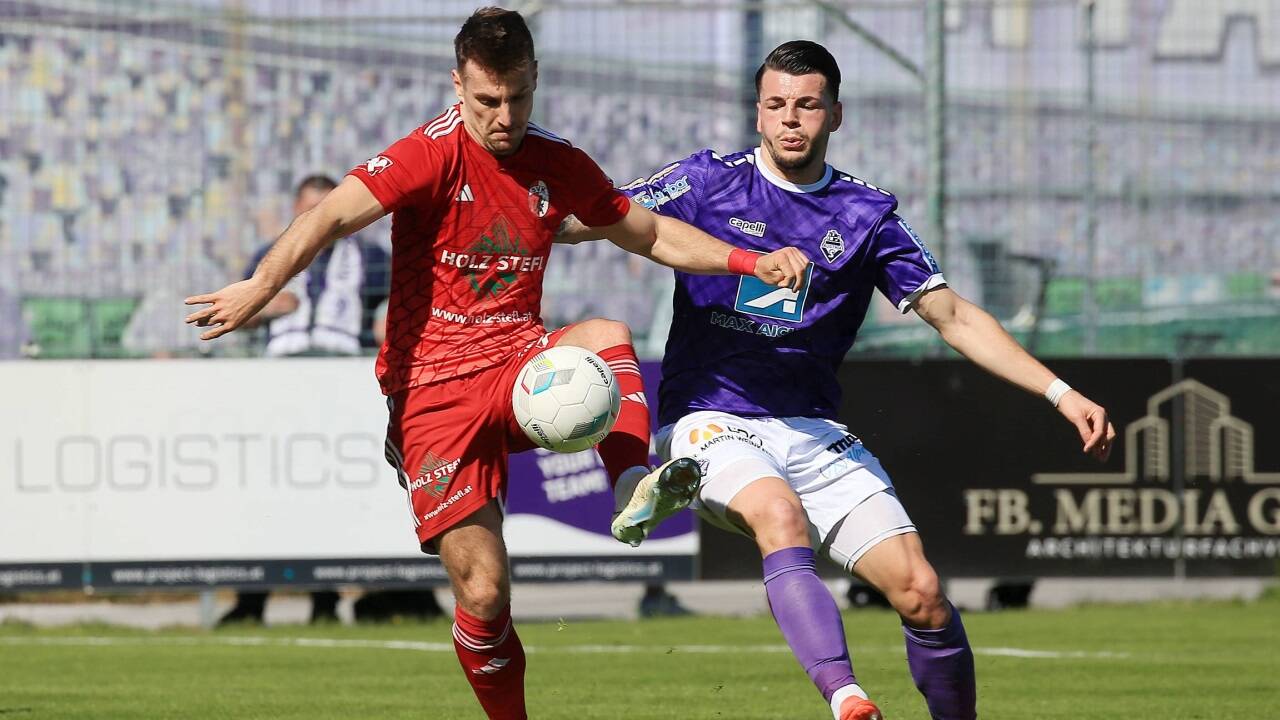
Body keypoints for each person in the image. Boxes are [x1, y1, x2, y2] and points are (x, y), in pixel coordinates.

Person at [184, 9, 808, 719]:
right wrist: (260, 287)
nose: (503, 116)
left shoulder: (557, 161)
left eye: (516, 97)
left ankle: (634, 483)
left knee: (606, 331)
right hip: (431, 390)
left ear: (534, 80)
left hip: (516, 362)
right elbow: (329, 215)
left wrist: (748, 261)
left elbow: (653, 232)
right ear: (459, 85)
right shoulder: (430, 153)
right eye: (486, 100)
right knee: (483, 592)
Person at [571, 41, 1117, 720]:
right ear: (758, 112)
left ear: (835, 115)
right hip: (710, 417)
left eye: (806, 105)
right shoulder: (706, 180)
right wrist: (511, 221)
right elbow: (595, 217)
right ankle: (848, 699)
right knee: (777, 514)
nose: (790, 120)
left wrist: (1061, 393)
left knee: (921, 591)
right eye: (776, 105)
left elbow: (952, 317)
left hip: (812, 428)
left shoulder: (866, 215)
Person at [219, 174, 391, 626]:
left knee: (330, 492)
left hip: (340, 379)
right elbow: (239, 315)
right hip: (280, 380)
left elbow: (394, 307)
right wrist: (267, 307)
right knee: (270, 488)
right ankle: (252, 600)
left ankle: (327, 598)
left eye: (326, 210)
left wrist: (385, 325)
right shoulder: (268, 256)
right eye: (308, 211)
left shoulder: (372, 259)